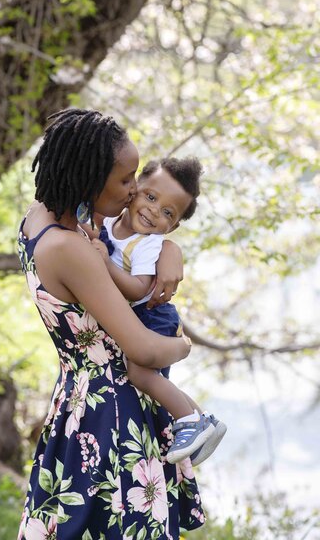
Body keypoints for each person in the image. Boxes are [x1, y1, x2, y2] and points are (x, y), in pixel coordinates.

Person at [17, 108, 205, 540]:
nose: (135, 189)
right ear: (90, 176)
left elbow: (118, 237)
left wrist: (167, 249)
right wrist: (182, 344)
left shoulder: (42, 219)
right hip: (112, 416)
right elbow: (143, 350)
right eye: (125, 180)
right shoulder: (71, 250)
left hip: (75, 402)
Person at [91, 157, 227, 466]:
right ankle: (204, 419)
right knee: (152, 379)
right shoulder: (110, 223)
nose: (154, 210)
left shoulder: (148, 244)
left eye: (167, 212)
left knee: (141, 374)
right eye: (151, 197)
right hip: (143, 316)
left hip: (154, 315)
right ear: (135, 189)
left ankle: (189, 421)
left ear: (173, 226)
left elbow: (139, 289)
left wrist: (103, 264)